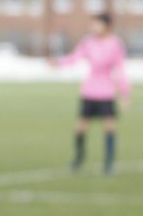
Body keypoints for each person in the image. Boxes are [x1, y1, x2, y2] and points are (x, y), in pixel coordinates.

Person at [53, 13, 130, 174]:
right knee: (81, 127)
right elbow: (75, 57)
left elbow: (120, 69)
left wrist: (124, 93)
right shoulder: (88, 42)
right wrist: (59, 63)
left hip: (106, 92)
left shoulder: (115, 44)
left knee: (109, 127)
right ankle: (78, 158)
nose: (94, 27)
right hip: (89, 91)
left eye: (97, 24)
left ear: (107, 26)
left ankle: (109, 163)